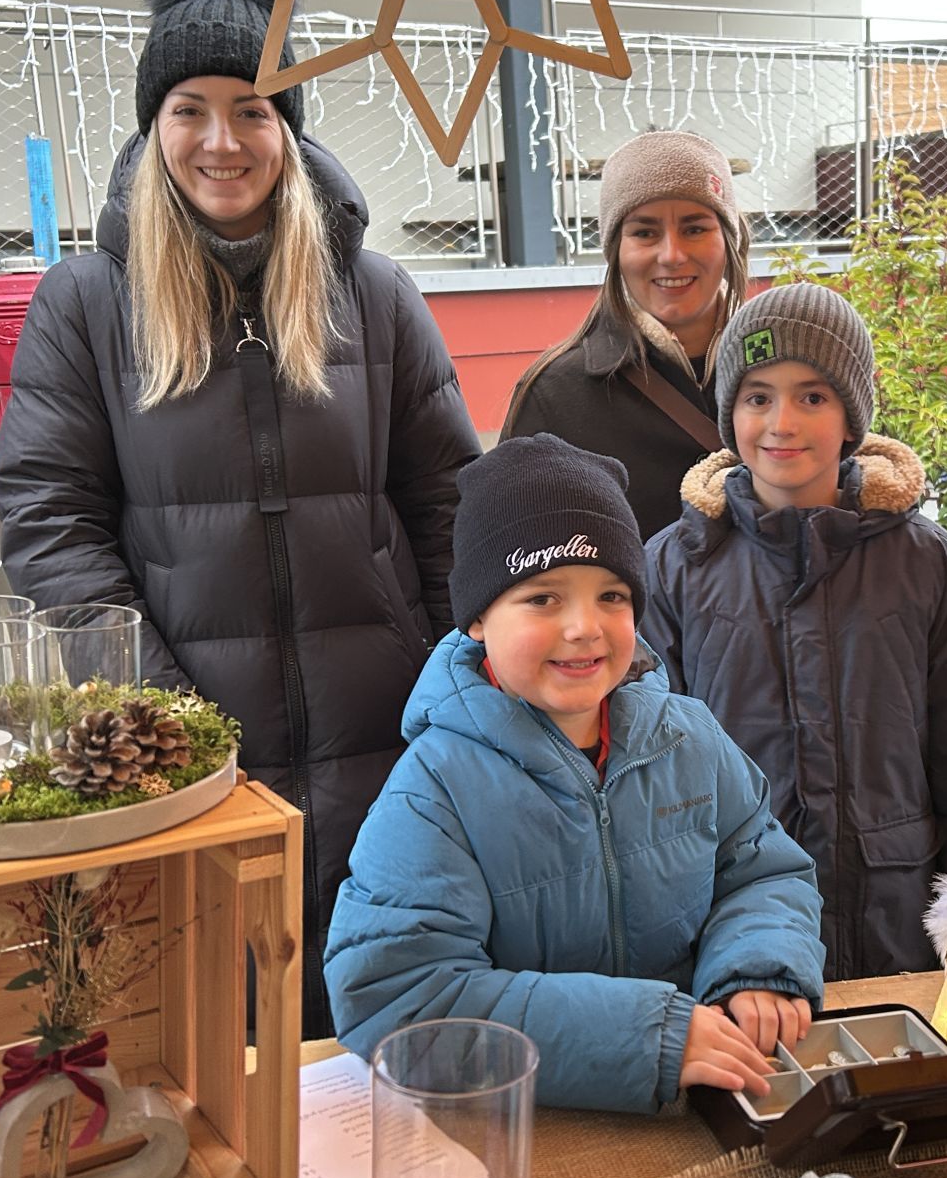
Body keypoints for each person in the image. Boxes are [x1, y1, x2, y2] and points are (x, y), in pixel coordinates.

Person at [0, 0, 479, 1039]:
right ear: (152, 127)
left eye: (254, 108)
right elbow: (50, 525)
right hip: (193, 764)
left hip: (386, 751)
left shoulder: (375, 294)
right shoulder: (86, 302)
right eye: (191, 110)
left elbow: (451, 507)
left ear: (288, 128)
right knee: (227, 1051)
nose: (223, 140)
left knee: (388, 1034)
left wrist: (454, 698)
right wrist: (161, 716)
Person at [324, 436, 825, 1113]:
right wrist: (644, 1037)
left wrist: (759, 965)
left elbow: (765, 873)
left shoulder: (690, 738)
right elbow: (399, 998)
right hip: (525, 1140)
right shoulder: (434, 788)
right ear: (477, 616)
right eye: (542, 598)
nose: (585, 627)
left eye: (612, 595)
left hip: (709, 1102)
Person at [641, 283, 947, 981]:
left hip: (898, 908)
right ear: (731, 413)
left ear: (850, 415)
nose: (782, 422)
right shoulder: (675, 566)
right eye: (756, 397)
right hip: (740, 919)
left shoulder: (926, 560)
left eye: (812, 396)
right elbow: (658, 772)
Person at [501, 130, 751, 538]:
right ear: (616, 249)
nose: (671, 255)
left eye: (695, 229)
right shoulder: (555, 397)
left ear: (729, 240)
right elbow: (521, 565)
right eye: (645, 232)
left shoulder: (781, 367)